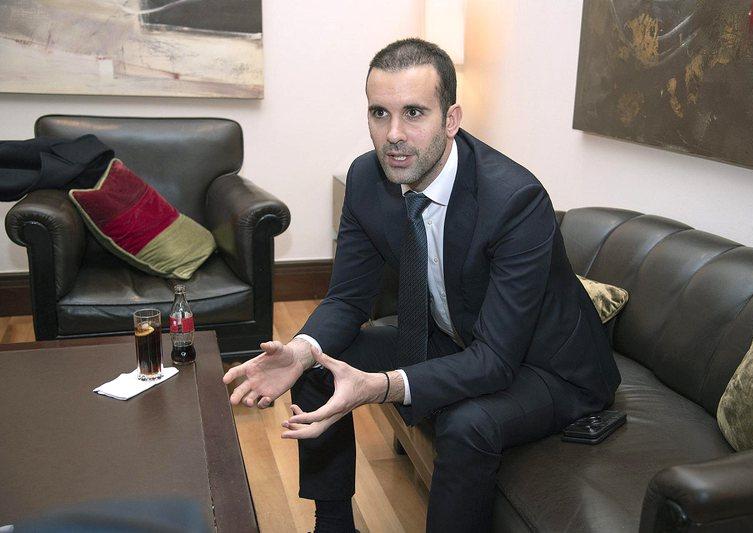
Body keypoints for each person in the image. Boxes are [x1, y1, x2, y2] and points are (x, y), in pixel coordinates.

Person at [224, 38, 620, 533]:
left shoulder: (515, 200)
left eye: (413, 113)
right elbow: (347, 298)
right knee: (319, 361)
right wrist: (301, 350)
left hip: (546, 367)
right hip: (456, 337)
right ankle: (333, 525)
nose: (393, 135)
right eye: (379, 113)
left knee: (467, 423)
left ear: (450, 120)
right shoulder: (366, 179)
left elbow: (497, 360)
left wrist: (379, 387)